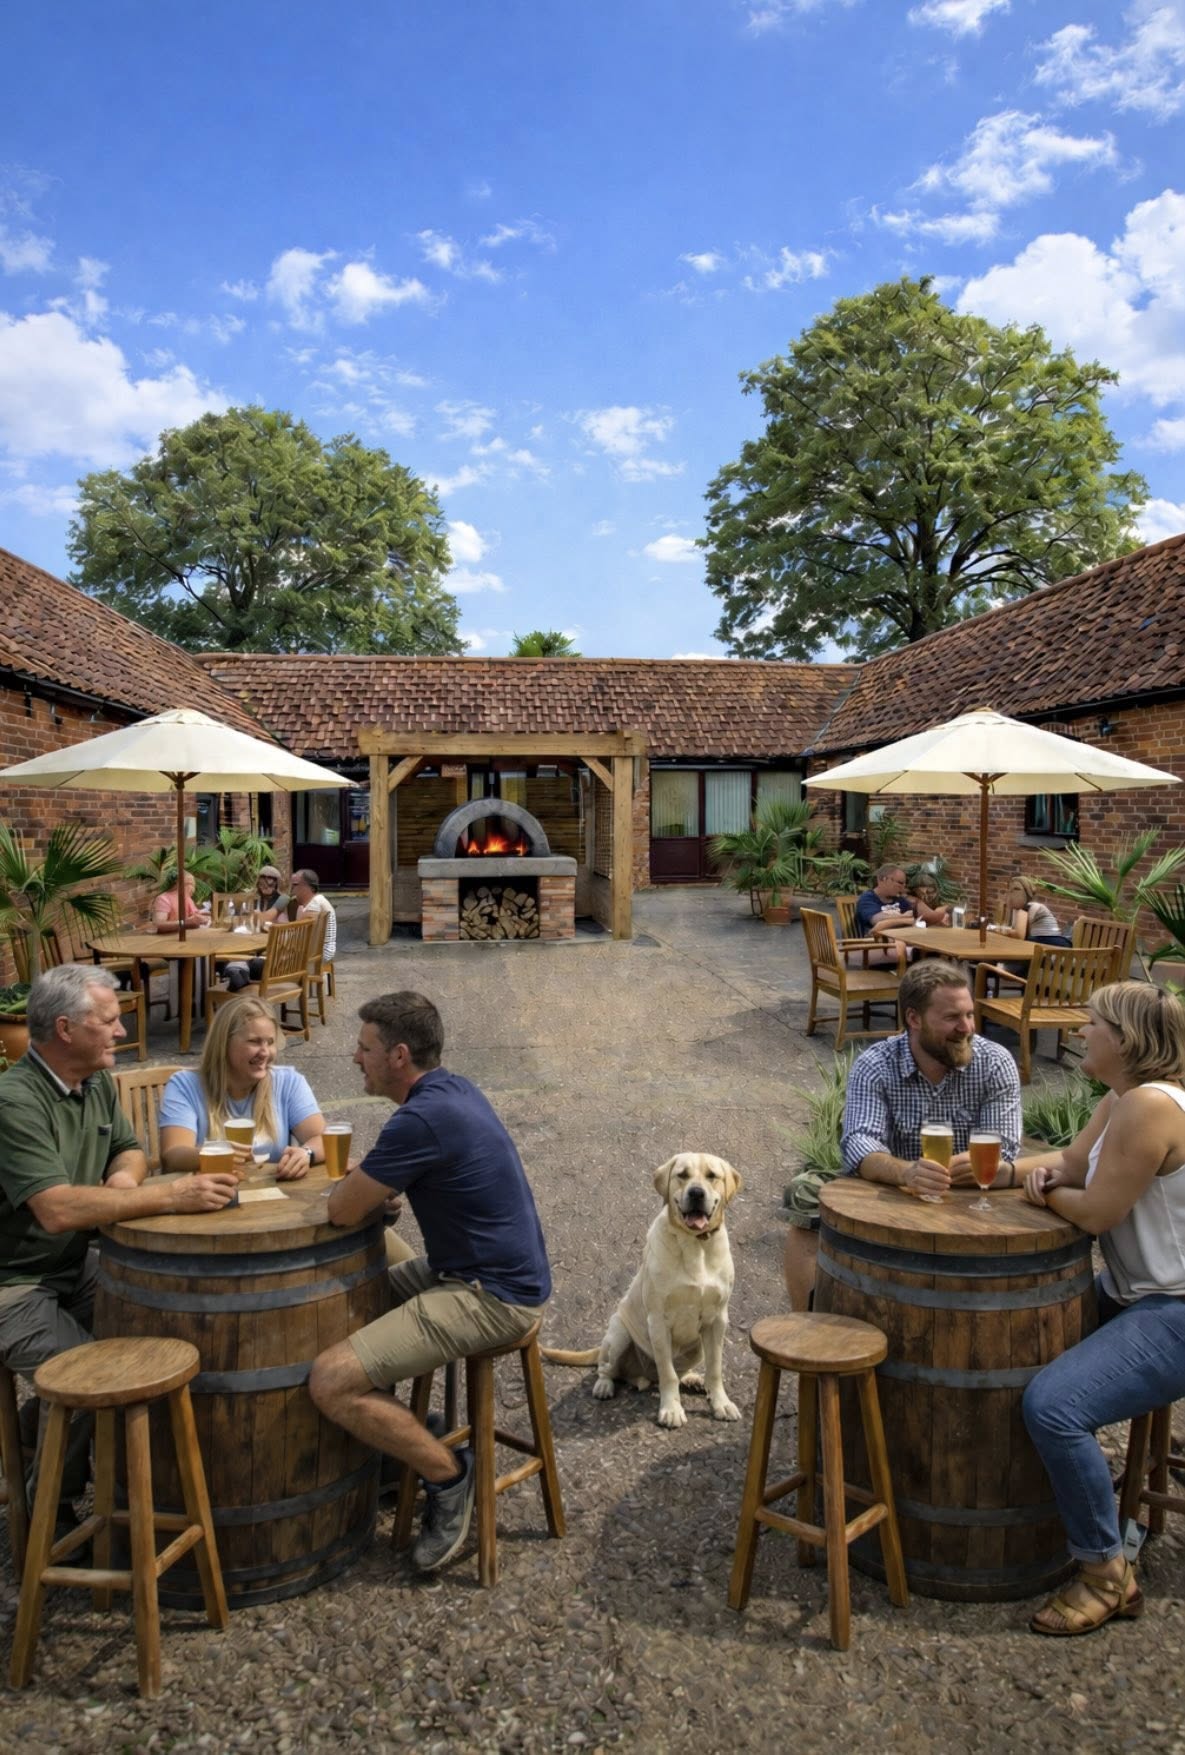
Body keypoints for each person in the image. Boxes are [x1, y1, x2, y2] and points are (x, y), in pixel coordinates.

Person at [308, 991, 551, 1573]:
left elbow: (342, 1209)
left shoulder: (420, 1119)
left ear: (398, 1056)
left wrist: (363, 1193)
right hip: (471, 1268)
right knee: (350, 1299)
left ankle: (448, 1476)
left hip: (489, 1294)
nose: (354, 1058)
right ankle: (407, 1436)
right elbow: (386, 1191)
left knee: (331, 1380)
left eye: (364, 1048)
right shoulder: (454, 1090)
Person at [0, 965, 238, 1516]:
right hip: (14, 1284)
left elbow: (129, 1151)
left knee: (166, 1325)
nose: (121, 1031)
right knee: (95, 1381)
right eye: (108, 1021)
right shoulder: (15, 1102)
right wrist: (168, 1196)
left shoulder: (95, 1081)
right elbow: (57, 1209)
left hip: (73, 1265)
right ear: (65, 1029)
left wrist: (124, 1185)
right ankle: (48, 1518)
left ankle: (38, 1438)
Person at [1017, 982, 1185, 1636]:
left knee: (1053, 1405)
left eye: (1092, 1023)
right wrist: (992, 1171)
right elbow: (1067, 1164)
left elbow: (1094, 1211)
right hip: (1136, 1295)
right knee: (1015, 1338)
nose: (1080, 1031)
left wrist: (1041, 1196)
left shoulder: (1149, 1105)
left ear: (1126, 1038)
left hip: (1173, 1311)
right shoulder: (1122, 1098)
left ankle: (1105, 1573)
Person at [783, 959, 1022, 1309]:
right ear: (914, 1018)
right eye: (952, 1017)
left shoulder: (994, 1062)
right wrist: (907, 1172)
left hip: (969, 1194)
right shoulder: (876, 1064)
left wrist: (955, 1171)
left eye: (970, 1014)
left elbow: (1004, 1148)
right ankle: (810, 1325)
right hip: (892, 1192)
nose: (967, 1027)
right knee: (804, 1193)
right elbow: (859, 1142)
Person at [159, 994, 327, 1177]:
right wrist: (218, 1154)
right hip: (211, 1191)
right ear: (224, 1042)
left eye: (270, 1042)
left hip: (271, 1190)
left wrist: (306, 1153)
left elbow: (323, 1139)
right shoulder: (185, 1085)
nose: (265, 1052)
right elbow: (172, 1156)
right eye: (254, 1041)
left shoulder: (288, 1082)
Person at [227, 867, 335, 992]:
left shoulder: (314, 905)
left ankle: (239, 978)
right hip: (315, 955)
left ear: (308, 887)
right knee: (254, 963)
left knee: (253, 964)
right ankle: (240, 977)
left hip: (308, 959)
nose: (292, 890)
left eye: (295, 885)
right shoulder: (318, 902)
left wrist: (277, 937)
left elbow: (298, 937)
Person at [853, 864, 918, 965]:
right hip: (876, 946)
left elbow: (912, 918)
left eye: (905, 884)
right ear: (883, 879)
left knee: (929, 952)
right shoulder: (868, 898)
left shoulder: (900, 900)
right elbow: (876, 919)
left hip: (900, 942)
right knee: (919, 954)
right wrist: (903, 917)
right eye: (900, 883)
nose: (903, 887)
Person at [996, 875, 1071, 947]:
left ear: (1027, 891)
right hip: (1038, 942)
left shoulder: (1031, 907)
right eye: (1010, 889)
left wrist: (1002, 930)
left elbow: (1020, 935)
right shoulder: (1017, 909)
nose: (1012, 893)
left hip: (1053, 943)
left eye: (1017, 889)